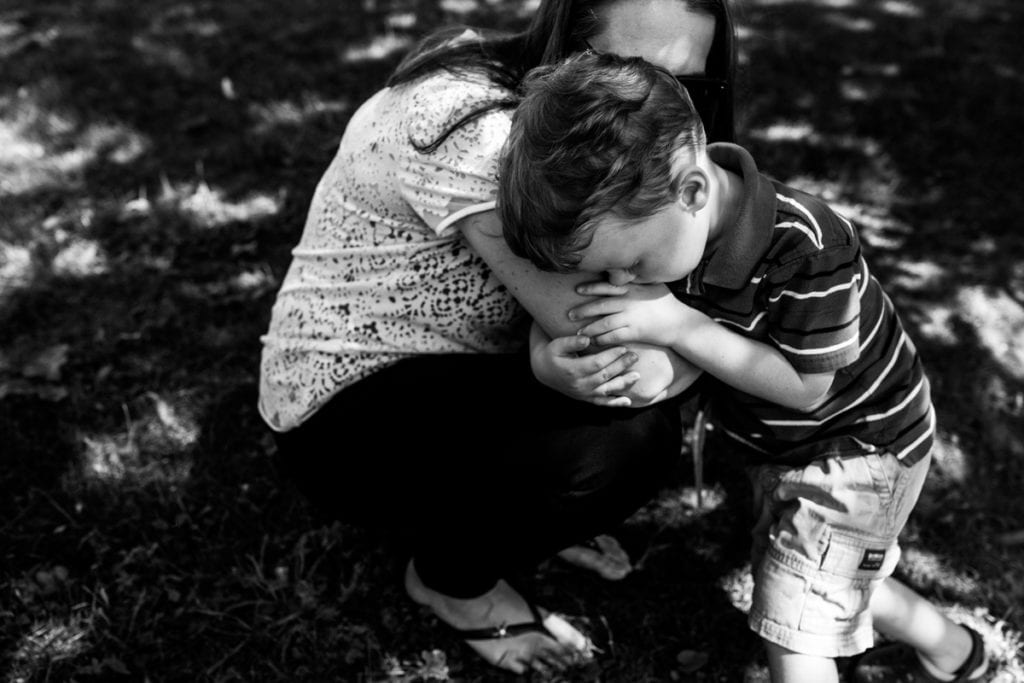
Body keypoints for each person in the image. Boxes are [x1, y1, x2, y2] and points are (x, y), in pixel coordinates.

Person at [258, 0, 738, 674]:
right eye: (629, 69)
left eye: (686, 84)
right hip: (343, 415)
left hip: (461, 371)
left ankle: (506, 509)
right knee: (624, 435)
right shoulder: (483, 133)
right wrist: (748, 348)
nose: (655, 103)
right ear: (567, 38)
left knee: (625, 400)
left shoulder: (591, 136)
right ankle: (452, 582)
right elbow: (631, 360)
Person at [497, 51, 990, 683]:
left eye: (631, 267)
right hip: (783, 449)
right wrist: (544, 359)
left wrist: (679, 326)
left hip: (860, 447)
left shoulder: (808, 248)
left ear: (693, 192)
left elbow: (807, 388)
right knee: (815, 578)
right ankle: (955, 652)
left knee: (796, 622)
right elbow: (573, 311)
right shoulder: (663, 229)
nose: (621, 285)